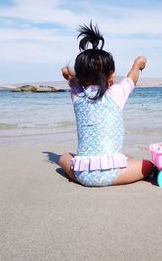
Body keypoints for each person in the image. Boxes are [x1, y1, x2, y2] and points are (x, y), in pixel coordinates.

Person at [58, 21, 153, 186]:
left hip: (81, 174)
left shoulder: (77, 95)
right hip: (113, 174)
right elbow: (132, 79)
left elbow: (71, 79)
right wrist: (138, 64)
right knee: (148, 166)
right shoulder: (115, 94)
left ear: (80, 77)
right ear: (110, 77)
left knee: (63, 157)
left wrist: (69, 73)